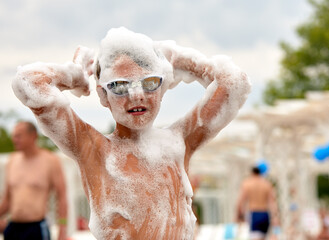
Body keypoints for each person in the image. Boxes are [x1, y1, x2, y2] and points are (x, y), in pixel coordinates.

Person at [12, 27, 251, 239]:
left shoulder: (179, 142)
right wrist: (75, 75)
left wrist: (174, 59)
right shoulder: (93, 149)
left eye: (149, 83)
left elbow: (234, 83)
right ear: (103, 96)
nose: (136, 95)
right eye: (120, 86)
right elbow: (28, 82)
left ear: (163, 86)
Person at [0, 121, 68, 240]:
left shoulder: (50, 161)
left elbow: (61, 197)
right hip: (13, 228)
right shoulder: (12, 161)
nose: (14, 139)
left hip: (36, 228)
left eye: (18, 136)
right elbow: (7, 200)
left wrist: (62, 232)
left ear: (33, 136)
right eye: (14, 135)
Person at [236, 166, 279, 240]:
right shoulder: (267, 184)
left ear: (252, 173)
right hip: (265, 214)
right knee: (263, 237)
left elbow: (241, 201)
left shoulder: (247, 184)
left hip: (254, 214)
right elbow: (272, 202)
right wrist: (275, 216)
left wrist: (238, 214)